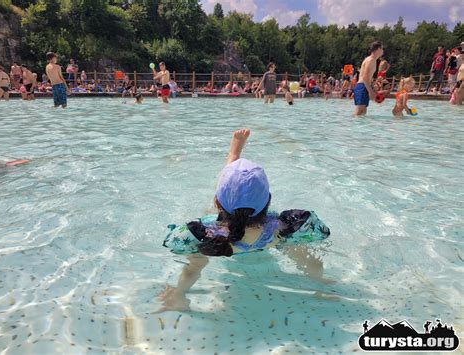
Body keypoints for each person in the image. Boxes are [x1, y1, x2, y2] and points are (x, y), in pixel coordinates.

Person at [159, 129, 331, 312]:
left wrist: (178, 293)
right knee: (297, 250)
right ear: (268, 200)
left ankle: (178, 297)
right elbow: (314, 264)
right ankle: (320, 286)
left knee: (196, 262)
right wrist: (319, 281)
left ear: (217, 202)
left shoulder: (204, 234)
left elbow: (191, 271)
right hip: (268, 237)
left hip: (222, 239)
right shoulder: (285, 228)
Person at [353, 41, 384, 116]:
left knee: (363, 112)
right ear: (378, 49)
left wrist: (371, 88)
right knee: (359, 112)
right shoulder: (371, 60)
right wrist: (370, 91)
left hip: (364, 86)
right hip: (362, 86)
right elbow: (365, 76)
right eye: (382, 49)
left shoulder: (371, 60)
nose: (383, 51)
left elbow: (367, 77)